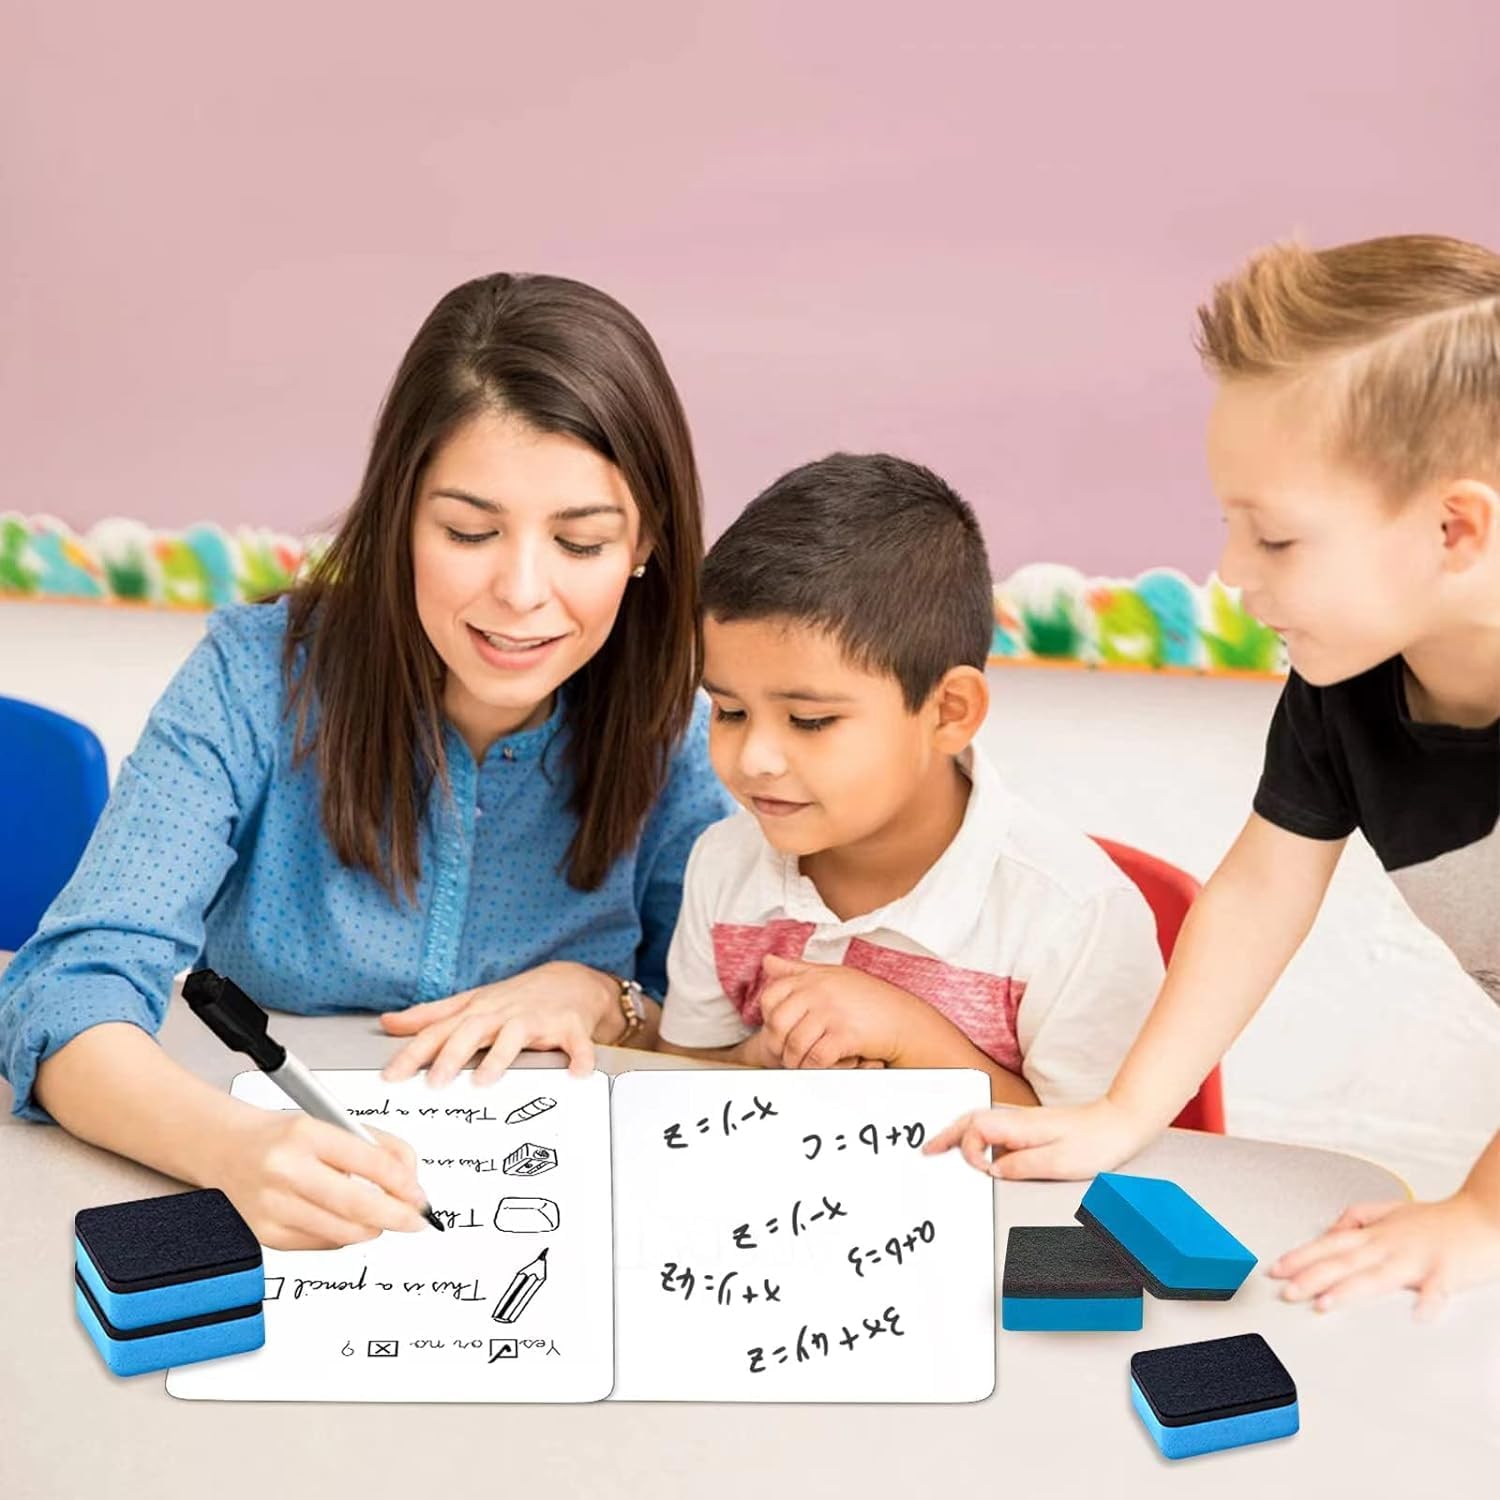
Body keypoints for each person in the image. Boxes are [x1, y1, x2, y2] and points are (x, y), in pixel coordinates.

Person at [0, 272, 732, 1248]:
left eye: (582, 542)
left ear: (644, 544)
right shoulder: (256, 681)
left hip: (554, 1228)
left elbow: (722, 1025)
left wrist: (610, 999)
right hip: (274, 1207)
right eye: (469, 531)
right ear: (399, 517)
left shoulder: (678, 728)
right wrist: (231, 1152)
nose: (521, 591)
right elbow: (63, 988)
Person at [928, 234, 1500, 1316]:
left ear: (1453, 527)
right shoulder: (1345, 689)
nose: (1231, 577)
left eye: (1275, 540)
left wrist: (1480, 1213)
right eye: (1229, 528)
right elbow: (1258, 892)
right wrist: (1127, 1110)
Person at [655, 452, 1164, 1103]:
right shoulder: (724, 866)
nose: (754, 757)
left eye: (809, 720)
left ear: (948, 712)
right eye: (729, 711)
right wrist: (758, 1059)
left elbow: (1096, 1147)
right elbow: (676, 1086)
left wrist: (915, 1041)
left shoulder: (1074, 915)